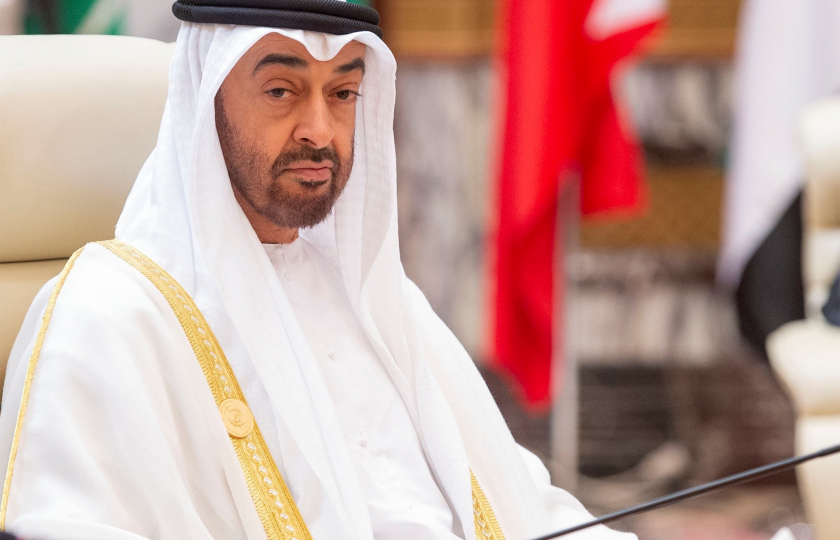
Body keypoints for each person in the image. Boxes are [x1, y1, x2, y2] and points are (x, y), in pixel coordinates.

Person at [0, 1, 636, 539]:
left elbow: (523, 502)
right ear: (206, 93)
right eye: (282, 90)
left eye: (342, 93)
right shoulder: (110, 315)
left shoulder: (382, 307)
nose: (320, 130)